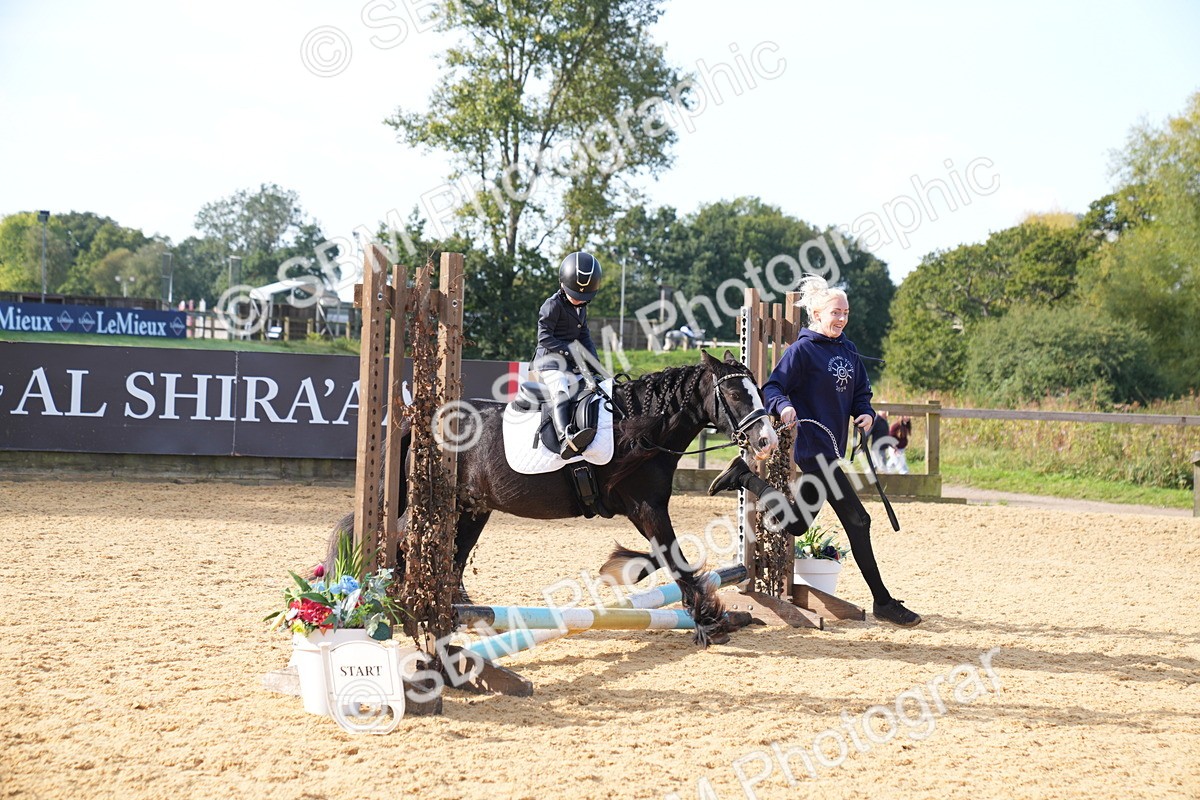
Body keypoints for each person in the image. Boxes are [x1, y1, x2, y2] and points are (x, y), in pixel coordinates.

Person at [707, 276, 921, 627]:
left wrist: (864, 413)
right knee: (859, 520)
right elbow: (772, 386)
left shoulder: (848, 350)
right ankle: (883, 602)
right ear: (818, 313)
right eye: (836, 312)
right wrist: (783, 405)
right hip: (813, 446)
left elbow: (860, 391)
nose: (841, 319)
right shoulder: (802, 351)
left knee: (797, 523)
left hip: (832, 450)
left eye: (846, 313)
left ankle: (742, 476)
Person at [531, 251, 603, 457]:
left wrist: (594, 363)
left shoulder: (581, 307)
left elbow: (584, 336)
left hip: (571, 361)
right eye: (575, 294)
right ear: (563, 284)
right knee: (561, 388)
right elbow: (544, 338)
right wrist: (570, 352)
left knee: (593, 387)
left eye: (583, 297)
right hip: (549, 362)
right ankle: (565, 437)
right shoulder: (552, 305)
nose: (579, 300)